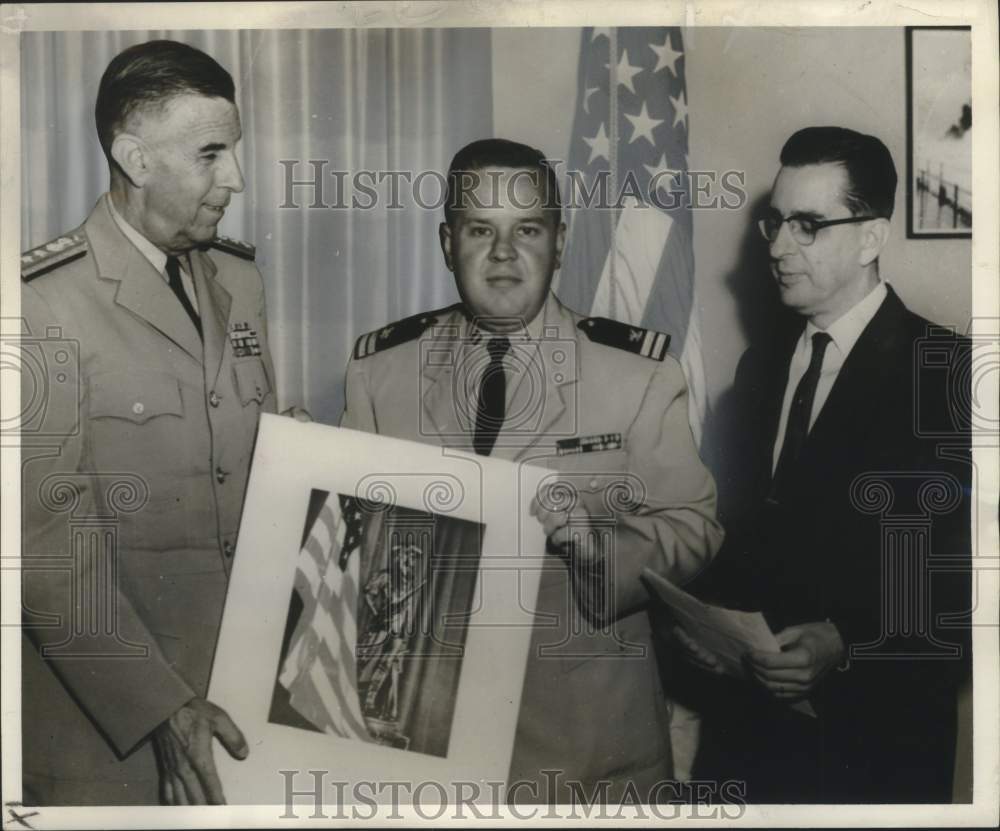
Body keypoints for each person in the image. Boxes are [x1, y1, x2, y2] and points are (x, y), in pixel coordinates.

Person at [339, 138, 723, 803]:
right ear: (446, 241)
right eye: (480, 229)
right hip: (423, 751)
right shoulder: (381, 371)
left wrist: (597, 547)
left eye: (528, 230)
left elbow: (695, 526)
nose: (504, 253)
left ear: (561, 241)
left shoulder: (635, 372)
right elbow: (347, 549)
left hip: (589, 758)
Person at [677, 126, 971, 803]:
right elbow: (746, 535)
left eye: (807, 225)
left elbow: (963, 583)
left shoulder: (947, 372)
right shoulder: (761, 367)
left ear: (871, 237)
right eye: (774, 221)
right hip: (749, 743)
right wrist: (705, 620)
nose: (778, 246)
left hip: (871, 751)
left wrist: (844, 643)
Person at [20, 40, 277, 805]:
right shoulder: (38, 303)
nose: (235, 178)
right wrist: (161, 708)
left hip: (244, 722)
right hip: (115, 743)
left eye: (234, 151)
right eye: (211, 154)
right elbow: (43, 548)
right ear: (134, 158)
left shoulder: (239, 279)